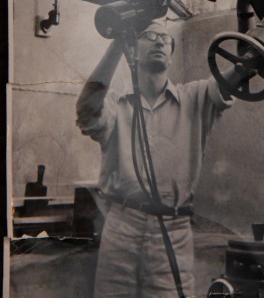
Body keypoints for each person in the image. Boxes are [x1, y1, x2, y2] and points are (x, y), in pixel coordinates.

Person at [76, 19, 239, 298]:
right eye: (149, 35)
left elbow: (235, 77)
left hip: (173, 231)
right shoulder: (115, 105)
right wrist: (117, 43)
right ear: (132, 50)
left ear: (171, 55)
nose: (160, 41)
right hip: (121, 227)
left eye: (165, 38)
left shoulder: (194, 98)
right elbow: (86, 111)